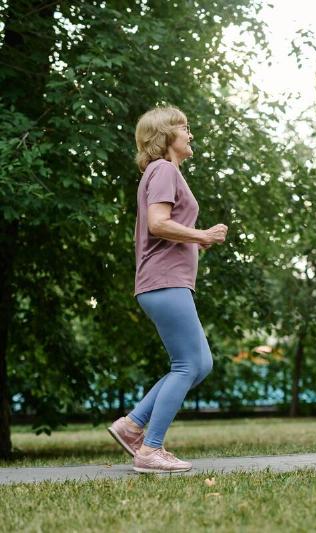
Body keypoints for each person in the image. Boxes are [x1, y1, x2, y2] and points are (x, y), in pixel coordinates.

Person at [107, 106, 228, 473]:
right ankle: (150, 449)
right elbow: (158, 223)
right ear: (166, 135)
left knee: (199, 364)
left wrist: (194, 242)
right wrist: (201, 234)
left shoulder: (167, 172)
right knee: (188, 363)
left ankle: (131, 425)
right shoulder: (162, 170)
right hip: (163, 281)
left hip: (167, 282)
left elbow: (166, 226)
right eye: (185, 128)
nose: (190, 134)